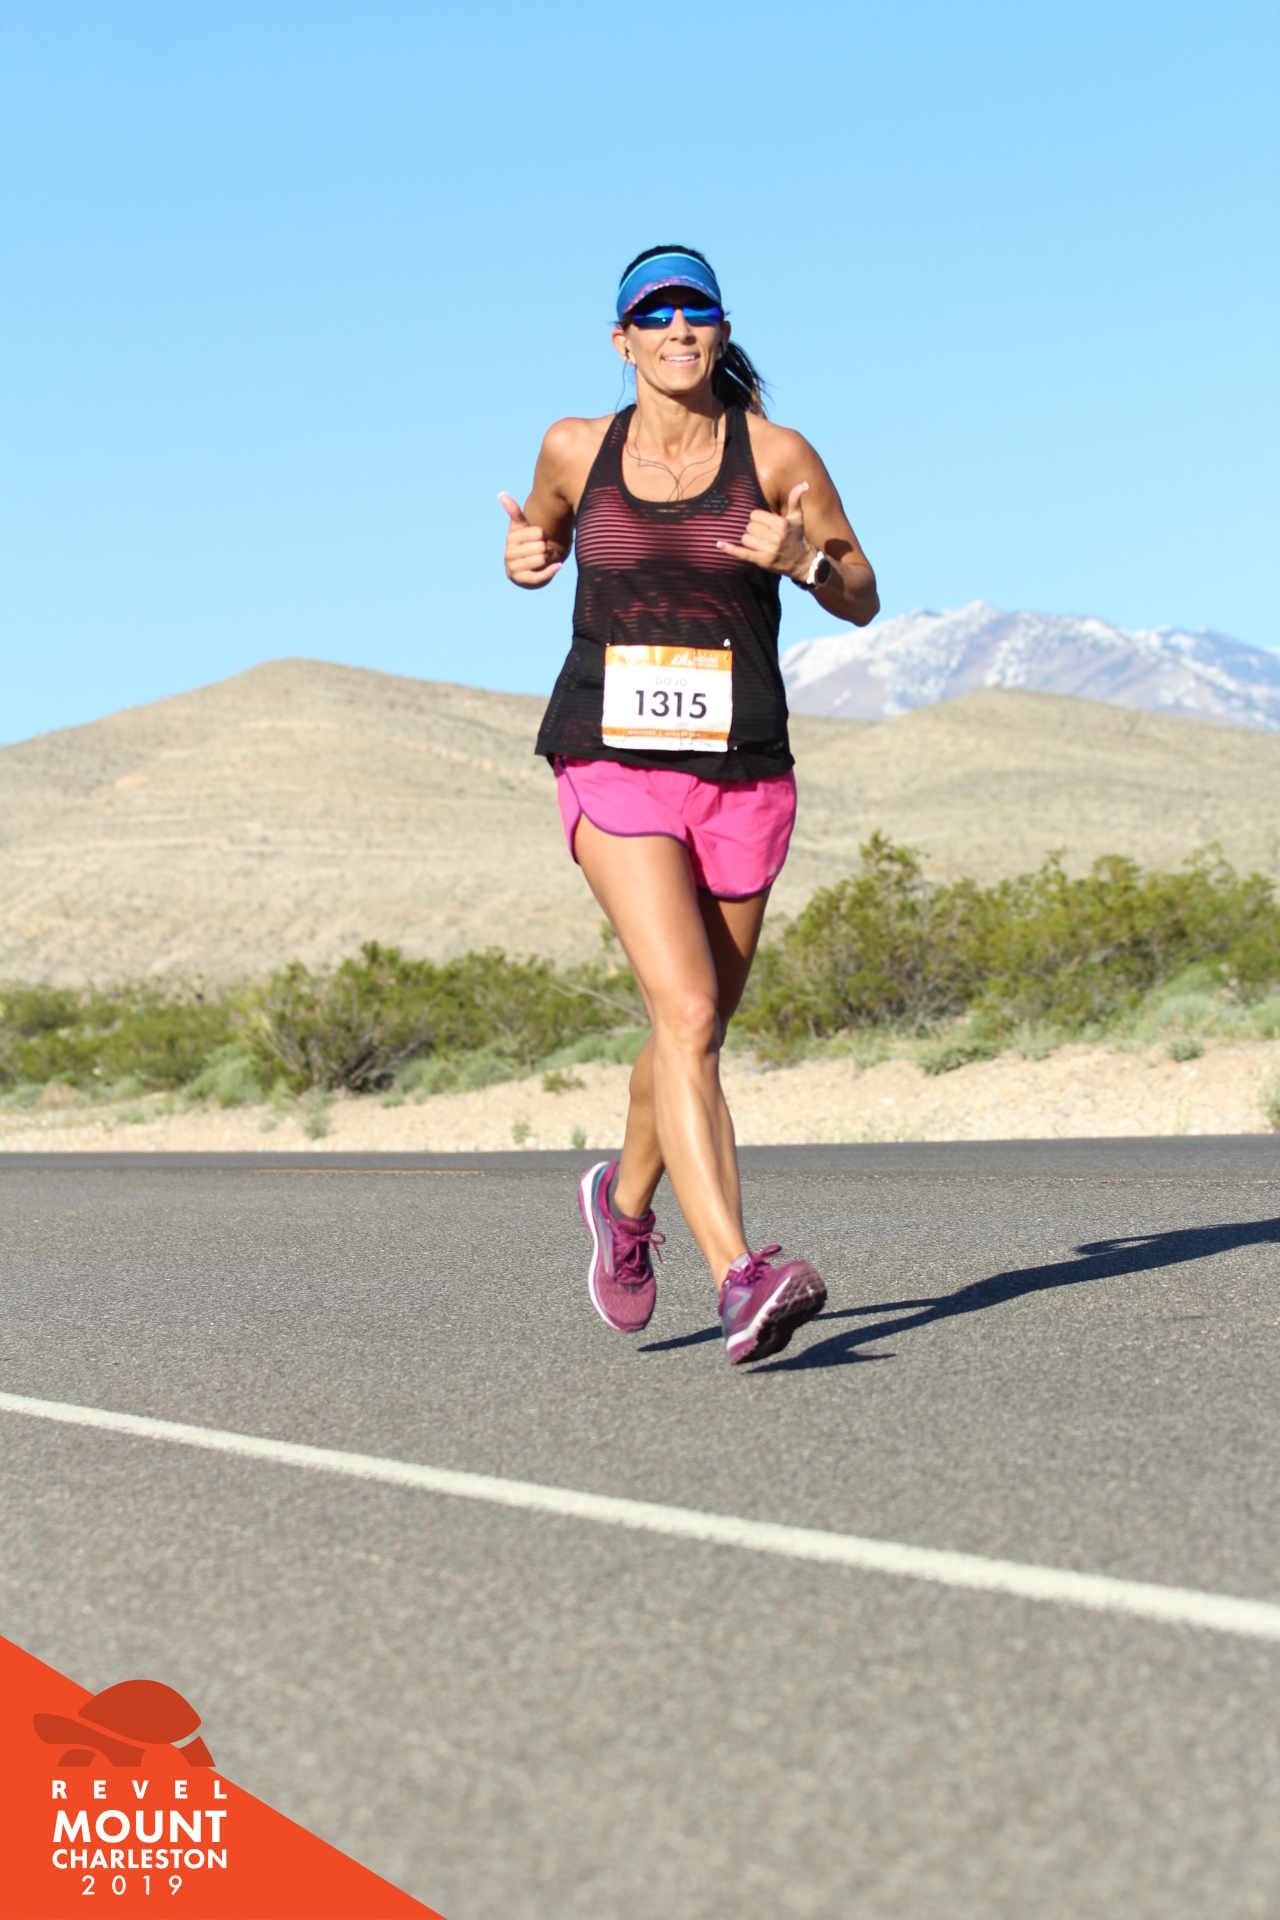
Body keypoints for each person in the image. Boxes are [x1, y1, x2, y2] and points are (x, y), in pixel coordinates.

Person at [499, 245, 878, 1365]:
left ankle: (620, 1205)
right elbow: (545, 533)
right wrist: (529, 554)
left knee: (692, 1026)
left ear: (719, 330)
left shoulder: (776, 453)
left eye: (695, 311)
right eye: (653, 314)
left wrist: (805, 560)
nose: (676, 329)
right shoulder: (577, 446)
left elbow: (862, 594)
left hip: (744, 770)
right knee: (690, 1012)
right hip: (611, 760)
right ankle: (737, 1275)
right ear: (621, 340)